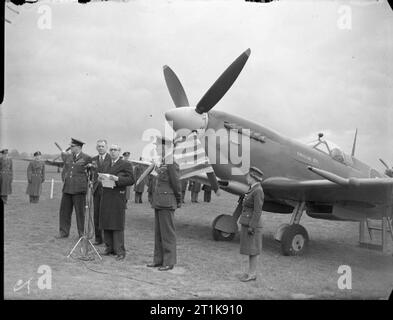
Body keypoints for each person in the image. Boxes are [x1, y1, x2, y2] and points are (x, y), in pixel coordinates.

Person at [147, 137, 181, 271]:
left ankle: (169, 262)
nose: (156, 148)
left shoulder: (170, 161)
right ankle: (158, 260)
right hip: (159, 201)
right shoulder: (161, 162)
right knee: (159, 233)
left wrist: (178, 199)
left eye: (158, 146)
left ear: (165, 147)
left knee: (167, 234)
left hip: (167, 202)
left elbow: (176, 182)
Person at [99, 144, 134, 261]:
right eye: (111, 150)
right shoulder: (106, 163)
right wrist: (100, 178)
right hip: (106, 195)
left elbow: (131, 180)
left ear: (119, 152)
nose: (113, 152)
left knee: (117, 223)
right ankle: (109, 248)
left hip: (117, 197)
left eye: (115, 150)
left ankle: (120, 251)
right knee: (106, 221)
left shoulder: (125, 164)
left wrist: (118, 179)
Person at [56, 138, 92, 239]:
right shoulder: (68, 157)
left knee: (80, 213)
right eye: (70, 146)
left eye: (72, 146)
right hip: (67, 188)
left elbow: (91, 173)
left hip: (79, 189)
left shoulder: (87, 158)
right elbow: (65, 170)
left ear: (79, 147)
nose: (70, 148)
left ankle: (82, 233)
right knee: (64, 212)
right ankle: (63, 232)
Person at [238, 166, 264, 282]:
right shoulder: (253, 188)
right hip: (248, 222)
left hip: (252, 224)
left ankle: (252, 274)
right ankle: (250, 272)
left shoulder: (258, 190)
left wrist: (252, 226)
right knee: (250, 250)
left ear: (253, 177)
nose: (246, 178)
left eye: (248, 176)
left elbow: (257, 211)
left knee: (253, 250)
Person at [91, 139, 111, 245]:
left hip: (108, 191)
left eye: (102, 146)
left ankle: (107, 239)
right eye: (99, 146)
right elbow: (90, 174)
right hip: (96, 190)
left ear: (106, 147)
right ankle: (98, 238)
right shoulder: (93, 159)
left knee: (106, 215)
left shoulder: (111, 159)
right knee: (96, 215)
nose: (100, 148)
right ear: (96, 147)